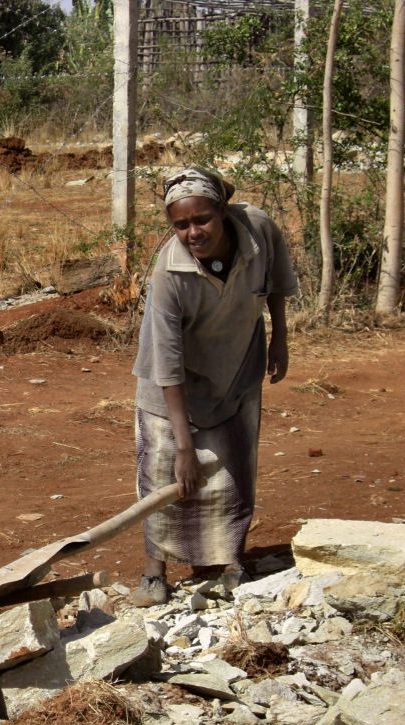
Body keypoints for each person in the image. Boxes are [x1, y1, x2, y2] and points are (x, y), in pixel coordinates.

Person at [129, 168, 296, 607]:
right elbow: (166, 365)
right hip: (170, 387)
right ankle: (154, 573)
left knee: (233, 470)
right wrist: (185, 447)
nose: (192, 232)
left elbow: (274, 281)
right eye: (180, 225)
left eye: (201, 219)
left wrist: (279, 336)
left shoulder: (257, 228)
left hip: (237, 368)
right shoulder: (170, 274)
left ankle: (230, 564)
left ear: (222, 211)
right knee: (164, 473)